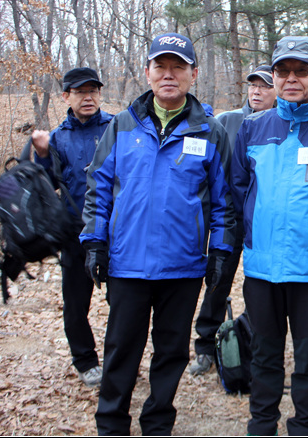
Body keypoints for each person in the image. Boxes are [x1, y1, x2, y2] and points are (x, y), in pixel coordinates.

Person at [79, 32, 237, 435]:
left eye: (178, 67)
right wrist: (94, 242)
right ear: (147, 72)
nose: (169, 75)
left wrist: (220, 252)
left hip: (182, 267)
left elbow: (224, 202)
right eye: (161, 66)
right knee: (121, 350)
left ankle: (157, 423)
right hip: (127, 264)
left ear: (193, 74)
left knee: (171, 352)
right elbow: (98, 189)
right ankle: (111, 423)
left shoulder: (210, 132)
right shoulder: (122, 126)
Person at [230, 36, 308, 436]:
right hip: (262, 268)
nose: (291, 78)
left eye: (301, 70)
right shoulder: (252, 129)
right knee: (264, 352)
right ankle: (261, 424)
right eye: (283, 71)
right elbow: (239, 189)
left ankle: (304, 425)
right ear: (273, 76)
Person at [190, 64, 276, 375]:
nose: (257, 91)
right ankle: (205, 344)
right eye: (253, 84)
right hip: (229, 218)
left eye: (264, 85)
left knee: (262, 287)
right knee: (218, 279)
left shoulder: (281, 125)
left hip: (264, 221)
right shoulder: (227, 121)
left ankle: (252, 343)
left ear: (277, 90)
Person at [30, 67, 113, 388]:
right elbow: (46, 184)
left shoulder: (116, 128)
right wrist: (41, 154)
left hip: (115, 231)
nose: (88, 97)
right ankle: (85, 361)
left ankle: (119, 359)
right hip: (74, 234)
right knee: (76, 304)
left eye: (93, 90)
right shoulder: (57, 137)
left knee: (122, 302)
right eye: (80, 92)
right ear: (66, 96)